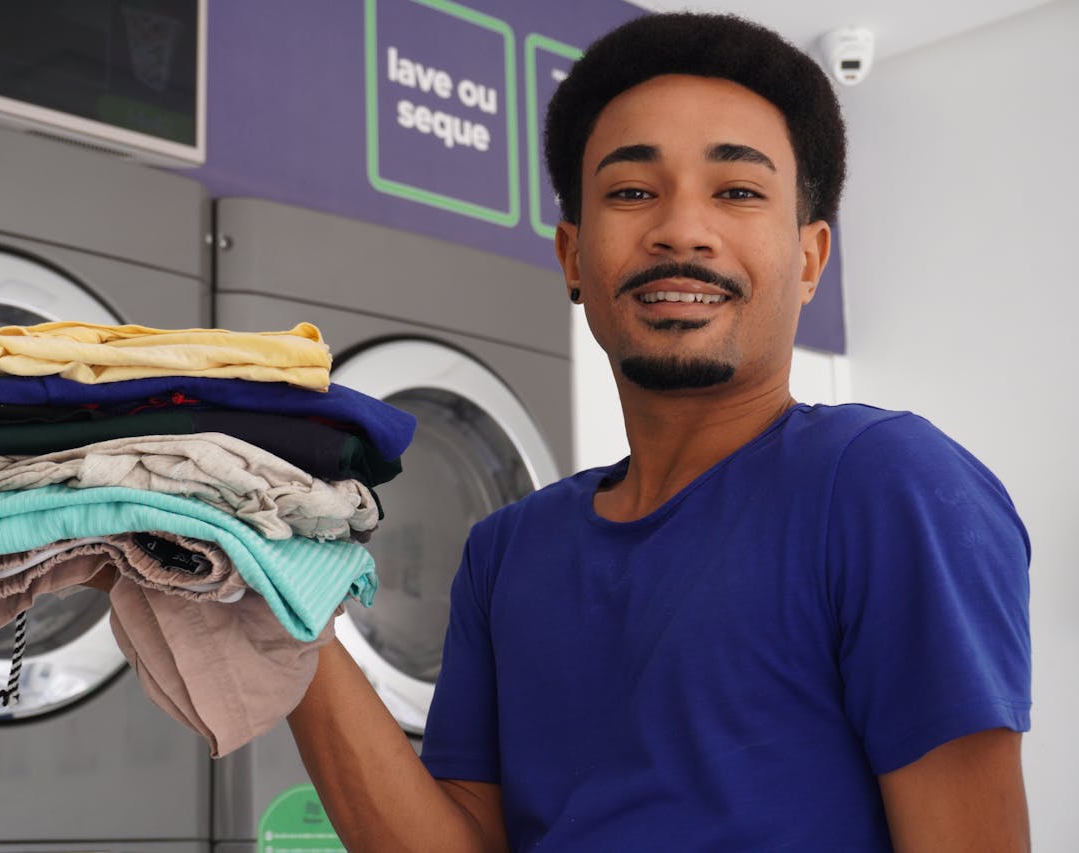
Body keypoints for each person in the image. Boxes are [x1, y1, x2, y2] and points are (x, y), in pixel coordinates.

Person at [287, 12, 1031, 851]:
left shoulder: (888, 485)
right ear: (572, 255)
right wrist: (278, 605)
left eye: (739, 192)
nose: (682, 228)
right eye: (632, 191)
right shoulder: (507, 551)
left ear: (811, 257)